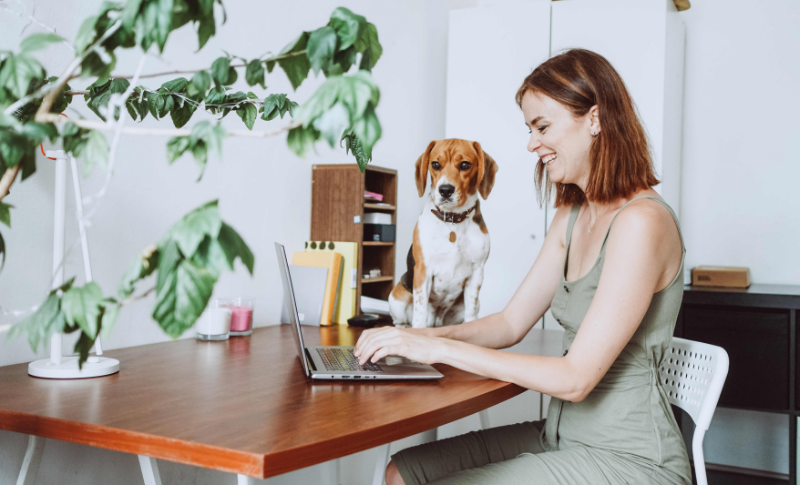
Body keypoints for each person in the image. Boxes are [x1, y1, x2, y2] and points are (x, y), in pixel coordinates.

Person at [354, 48, 691, 485]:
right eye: (530, 128)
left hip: (631, 458)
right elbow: (511, 323)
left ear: (595, 118)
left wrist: (439, 350)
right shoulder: (571, 215)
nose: (532, 144)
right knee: (401, 471)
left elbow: (575, 379)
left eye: (542, 126)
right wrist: (413, 338)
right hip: (560, 436)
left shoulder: (642, 223)